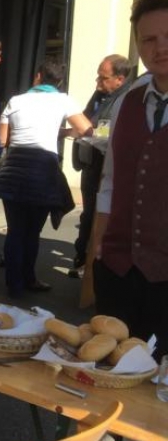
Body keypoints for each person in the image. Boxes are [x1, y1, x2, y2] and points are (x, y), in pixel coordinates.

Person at [85, 0, 168, 441]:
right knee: (123, 373)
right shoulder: (131, 98)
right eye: (150, 39)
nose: (160, 48)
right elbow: (111, 182)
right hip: (121, 260)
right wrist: (97, 253)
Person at [0, 59, 92, 298]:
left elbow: (2, 140)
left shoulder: (16, 100)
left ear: (37, 76)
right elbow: (86, 130)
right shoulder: (64, 100)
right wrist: (61, 131)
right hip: (43, 170)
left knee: (15, 230)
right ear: (59, 81)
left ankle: (14, 285)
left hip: (13, 170)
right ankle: (29, 279)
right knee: (32, 231)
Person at [68, 54, 132, 278]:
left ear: (120, 79)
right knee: (88, 213)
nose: (98, 82)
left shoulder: (127, 99)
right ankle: (81, 256)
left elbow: (107, 133)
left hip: (106, 165)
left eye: (103, 78)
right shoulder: (100, 95)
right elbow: (86, 119)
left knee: (99, 214)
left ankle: (92, 262)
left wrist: (90, 133)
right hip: (89, 163)